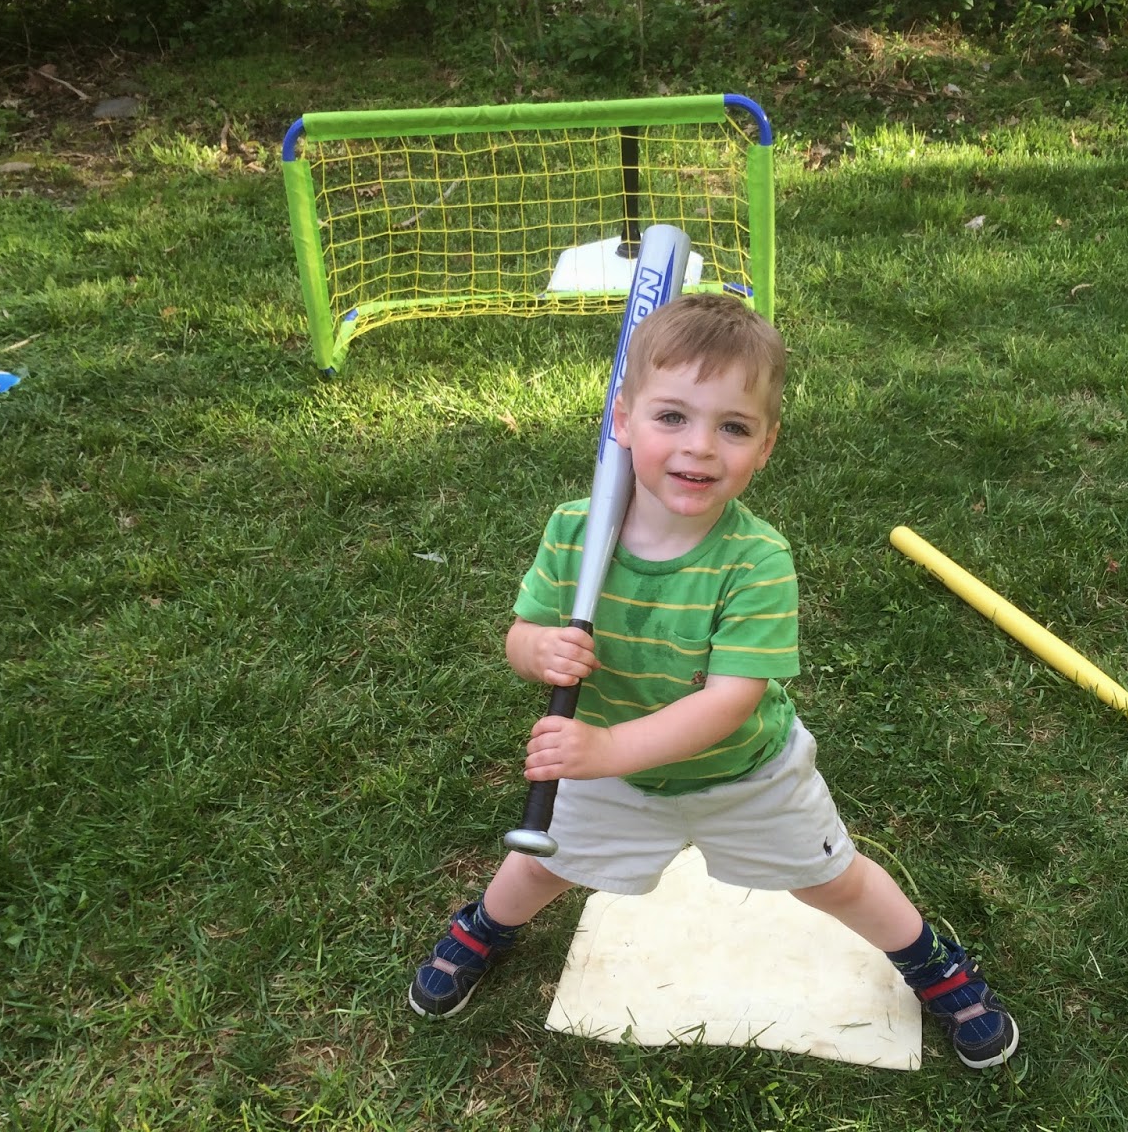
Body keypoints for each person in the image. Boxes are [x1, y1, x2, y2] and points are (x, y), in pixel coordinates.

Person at [409, 293, 1019, 1069]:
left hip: (746, 774)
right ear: (621, 419)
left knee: (833, 880)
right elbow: (522, 633)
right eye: (672, 417)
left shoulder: (756, 560)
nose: (699, 447)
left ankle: (931, 963)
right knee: (542, 863)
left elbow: (730, 702)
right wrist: (539, 652)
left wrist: (604, 749)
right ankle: (483, 929)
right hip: (612, 775)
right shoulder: (574, 528)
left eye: (733, 427)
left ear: (766, 445)